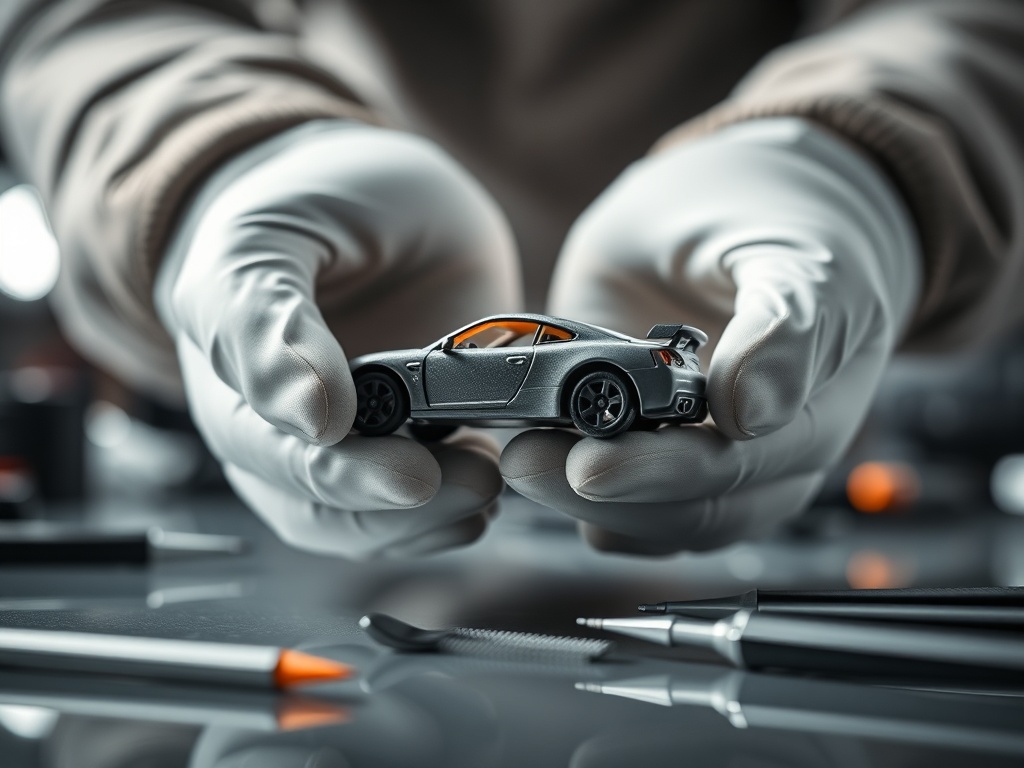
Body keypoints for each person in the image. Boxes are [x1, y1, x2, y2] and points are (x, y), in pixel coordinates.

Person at [1, 1, 1022, 558]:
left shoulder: (537, 368)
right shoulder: (504, 364)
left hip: (828, 435)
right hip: (339, 260)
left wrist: (870, 156)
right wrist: (210, 155)